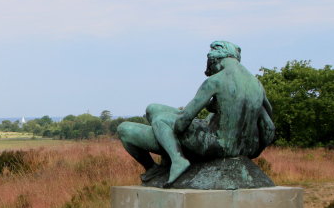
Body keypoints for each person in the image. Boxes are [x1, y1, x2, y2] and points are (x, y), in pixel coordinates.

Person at [117, 41, 276, 186]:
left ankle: (178, 160)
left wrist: (178, 128)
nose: (210, 72)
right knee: (153, 108)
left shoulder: (216, 81)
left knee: (160, 119)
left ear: (215, 60)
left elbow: (182, 122)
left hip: (217, 144)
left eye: (210, 67)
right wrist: (252, 151)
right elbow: (269, 128)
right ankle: (160, 168)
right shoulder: (256, 85)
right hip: (244, 147)